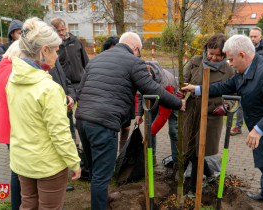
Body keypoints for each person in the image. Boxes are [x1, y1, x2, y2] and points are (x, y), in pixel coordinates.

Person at [182, 35, 263, 210]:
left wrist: (258, 129)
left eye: (231, 59)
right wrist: (197, 89)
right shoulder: (244, 71)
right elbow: (225, 87)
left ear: (242, 55)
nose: (229, 64)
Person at [75, 32, 186, 210]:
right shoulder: (134, 62)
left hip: (82, 121)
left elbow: (80, 92)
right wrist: (178, 102)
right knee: (101, 175)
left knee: (95, 170)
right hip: (104, 124)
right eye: (139, 52)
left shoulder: (96, 59)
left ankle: (103, 198)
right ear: (135, 49)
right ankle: (100, 204)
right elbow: (152, 88)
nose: (139, 55)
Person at [6, 17, 81, 210]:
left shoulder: (12, 80)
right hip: (48, 165)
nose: (58, 55)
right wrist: (74, 162)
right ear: (44, 50)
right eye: (56, 50)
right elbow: (60, 133)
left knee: (28, 205)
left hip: (23, 161)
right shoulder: (48, 88)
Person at [178, 34, 236, 197]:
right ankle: (210, 174)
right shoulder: (195, 62)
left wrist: (226, 105)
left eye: (219, 55)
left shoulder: (229, 69)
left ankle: (194, 189)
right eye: (211, 53)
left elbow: (234, 93)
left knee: (199, 151)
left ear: (225, 54)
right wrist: (180, 93)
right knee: (189, 149)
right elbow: (183, 81)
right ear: (205, 50)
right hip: (192, 111)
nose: (214, 57)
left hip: (212, 114)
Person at [135, 61, 179, 174]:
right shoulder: (140, 77)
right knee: (149, 126)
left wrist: (150, 134)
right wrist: (139, 113)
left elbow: (164, 114)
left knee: (173, 131)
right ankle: (151, 159)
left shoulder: (166, 82)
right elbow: (139, 96)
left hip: (171, 102)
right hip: (152, 102)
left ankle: (177, 163)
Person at [51, 17, 89, 143]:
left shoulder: (76, 42)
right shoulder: (53, 47)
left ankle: (84, 134)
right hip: (63, 85)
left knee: (83, 111)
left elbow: (86, 63)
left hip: (80, 83)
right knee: (67, 113)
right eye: (58, 31)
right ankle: (72, 139)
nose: (61, 33)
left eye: (63, 30)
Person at [231, 27, 263, 136]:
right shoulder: (245, 50)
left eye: (255, 36)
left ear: (260, 37)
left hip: (258, 85)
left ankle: (259, 128)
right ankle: (238, 126)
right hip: (244, 82)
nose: (252, 39)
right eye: (251, 36)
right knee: (241, 104)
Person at [0, 41, 22, 210]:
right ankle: (17, 205)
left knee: (15, 170)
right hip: (14, 128)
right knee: (17, 172)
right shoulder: (13, 71)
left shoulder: (3, 67)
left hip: (7, 127)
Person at [101, 36, 134, 152]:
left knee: (126, 127)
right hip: (109, 104)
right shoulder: (102, 63)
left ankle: (121, 157)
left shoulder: (128, 61)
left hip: (125, 101)